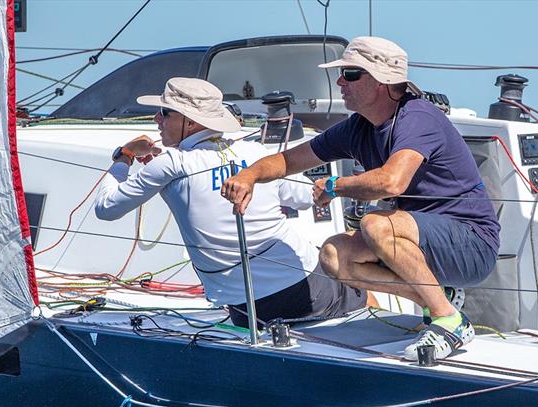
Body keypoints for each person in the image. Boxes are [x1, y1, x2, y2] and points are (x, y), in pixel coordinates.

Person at [221, 37, 500, 359]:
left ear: (382, 81)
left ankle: (449, 321)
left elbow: (391, 182)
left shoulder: (417, 117)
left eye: (351, 74)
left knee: (377, 225)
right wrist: (248, 175)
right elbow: (289, 160)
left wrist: (336, 185)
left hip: (472, 244)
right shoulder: (357, 128)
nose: (340, 81)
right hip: (425, 241)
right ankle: (439, 299)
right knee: (334, 254)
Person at [95, 77, 369, 328]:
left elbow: (105, 208)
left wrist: (125, 156)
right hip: (304, 287)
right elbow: (305, 198)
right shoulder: (255, 153)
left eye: (165, 113)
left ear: (190, 122)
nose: (156, 119)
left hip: (247, 306)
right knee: (354, 274)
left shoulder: (171, 164)